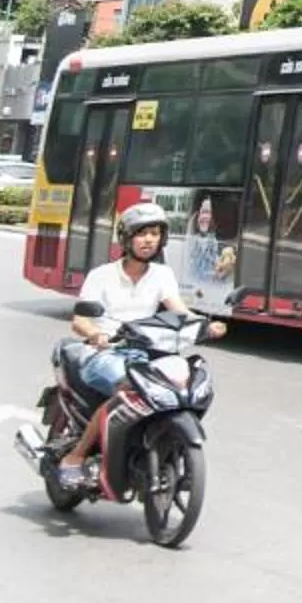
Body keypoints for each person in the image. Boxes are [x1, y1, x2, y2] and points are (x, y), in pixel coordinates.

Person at [55, 202, 220, 491]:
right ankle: (76, 455)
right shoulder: (101, 275)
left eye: (155, 234)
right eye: (142, 233)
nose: (149, 240)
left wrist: (205, 324)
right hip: (105, 353)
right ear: (127, 238)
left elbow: (178, 309)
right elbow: (80, 320)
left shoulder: (162, 275)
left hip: (147, 352)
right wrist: (96, 335)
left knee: (180, 385)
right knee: (127, 390)